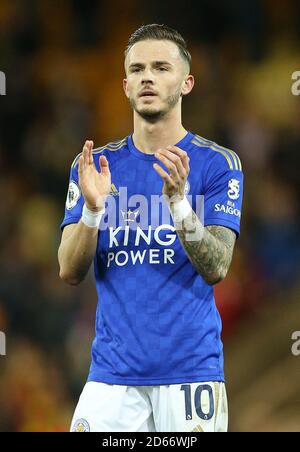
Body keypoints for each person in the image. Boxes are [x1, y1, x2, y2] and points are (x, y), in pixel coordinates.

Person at [58, 24, 244, 433]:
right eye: (138, 69)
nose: (148, 77)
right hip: (111, 377)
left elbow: (217, 266)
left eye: (161, 67)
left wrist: (179, 204)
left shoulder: (218, 164)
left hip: (190, 375)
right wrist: (92, 210)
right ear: (125, 86)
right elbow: (69, 271)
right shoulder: (93, 168)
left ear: (186, 82)